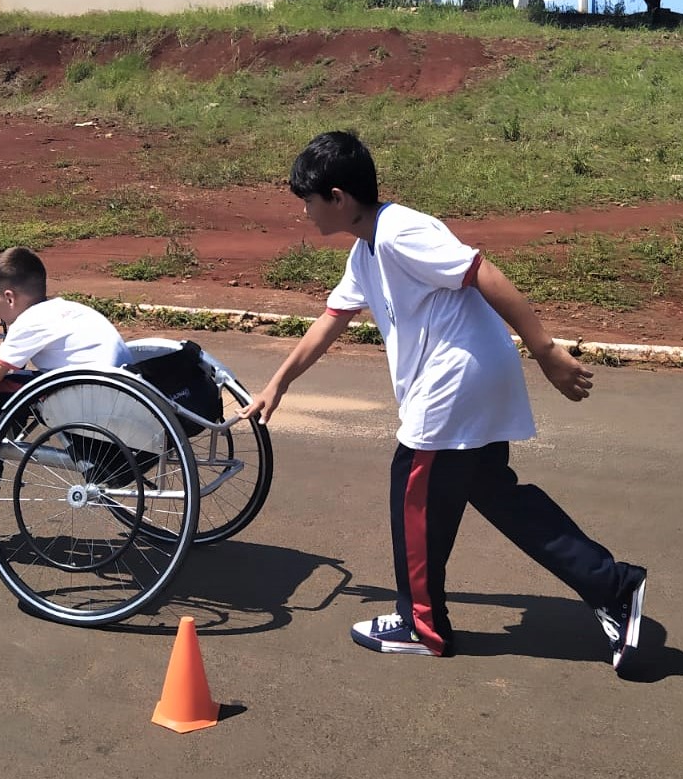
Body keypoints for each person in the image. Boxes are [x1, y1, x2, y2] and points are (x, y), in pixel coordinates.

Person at [241, 131, 647, 672]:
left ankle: (421, 624)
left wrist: (546, 350)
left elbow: (483, 272)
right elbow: (331, 321)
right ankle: (613, 585)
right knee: (498, 496)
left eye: (309, 201)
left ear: (338, 198)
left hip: (454, 383)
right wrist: (279, 382)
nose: (306, 213)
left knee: (414, 494)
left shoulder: (399, 232)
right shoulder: (367, 251)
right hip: (470, 382)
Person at [0, 246, 133, 494]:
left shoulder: (30, 322)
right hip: (118, 396)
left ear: (10, 297)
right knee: (19, 384)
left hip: (88, 401)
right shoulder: (65, 309)